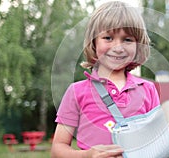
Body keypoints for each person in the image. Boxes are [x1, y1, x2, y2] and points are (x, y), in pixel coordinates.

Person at [51, 1, 161, 158]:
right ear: (94, 43)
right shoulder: (76, 92)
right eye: (108, 38)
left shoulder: (148, 89)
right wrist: (87, 155)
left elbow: (157, 143)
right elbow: (57, 149)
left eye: (127, 39)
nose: (118, 47)